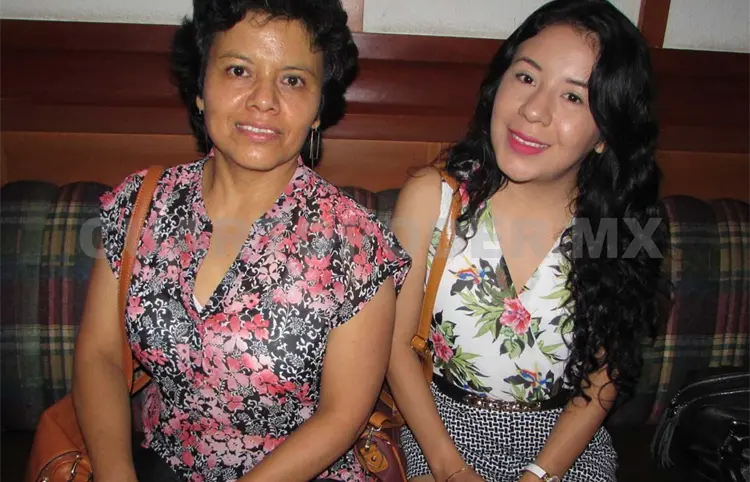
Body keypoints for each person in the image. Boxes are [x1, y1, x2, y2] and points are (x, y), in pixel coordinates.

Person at [72, 1, 411, 481]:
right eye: (238, 70)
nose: (263, 100)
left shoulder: (357, 244)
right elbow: (100, 355)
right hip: (156, 463)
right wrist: (115, 475)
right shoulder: (141, 204)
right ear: (200, 89)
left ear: (318, 109)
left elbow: (341, 416)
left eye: (292, 80)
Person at [387, 1, 667, 481]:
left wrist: (541, 473)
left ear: (606, 132)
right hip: (439, 433)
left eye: (574, 97)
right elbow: (393, 347)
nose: (534, 110)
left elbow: (608, 372)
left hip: (564, 445)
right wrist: (450, 469)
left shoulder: (623, 226)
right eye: (526, 77)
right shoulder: (432, 197)